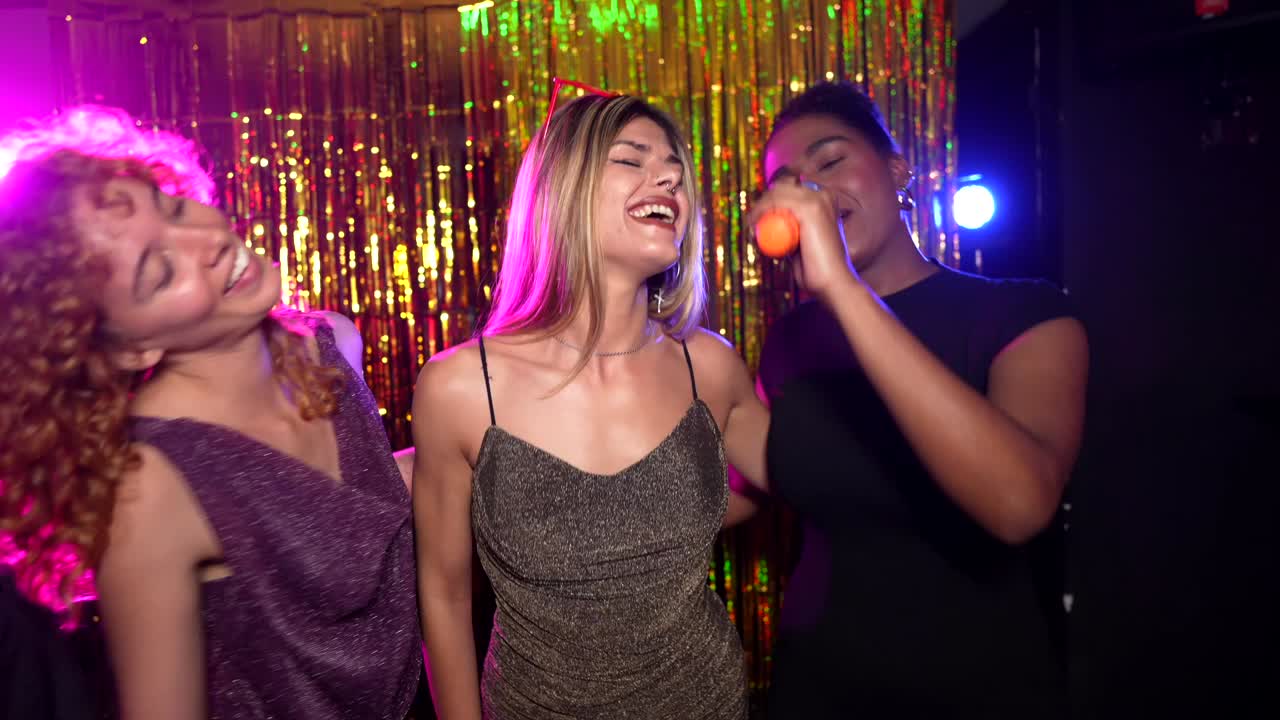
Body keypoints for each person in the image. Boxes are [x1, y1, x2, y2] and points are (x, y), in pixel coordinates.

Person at [0, 107, 422, 719]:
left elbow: (359, 521)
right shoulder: (147, 491)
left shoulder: (330, 344)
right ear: (127, 346)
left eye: (170, 206)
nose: (210, 238)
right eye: (160, 269)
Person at [411, 93, 771, 719]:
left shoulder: (708, 365)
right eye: (630, 160)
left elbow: (822, 486)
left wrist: (666, 519)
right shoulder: (462, 385)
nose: (667, 179)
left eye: (675, 171)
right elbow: (443, 595)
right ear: (561, 192)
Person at [748, 81, 1089, 717]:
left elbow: (1019, 502)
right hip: (818, 689)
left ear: (897, 168)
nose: (813, 192)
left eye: (831, 161)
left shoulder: (1022, 312)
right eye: (791, 182)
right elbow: (741, 489)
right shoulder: (792, 339)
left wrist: (844, 292)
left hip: (977, 693)